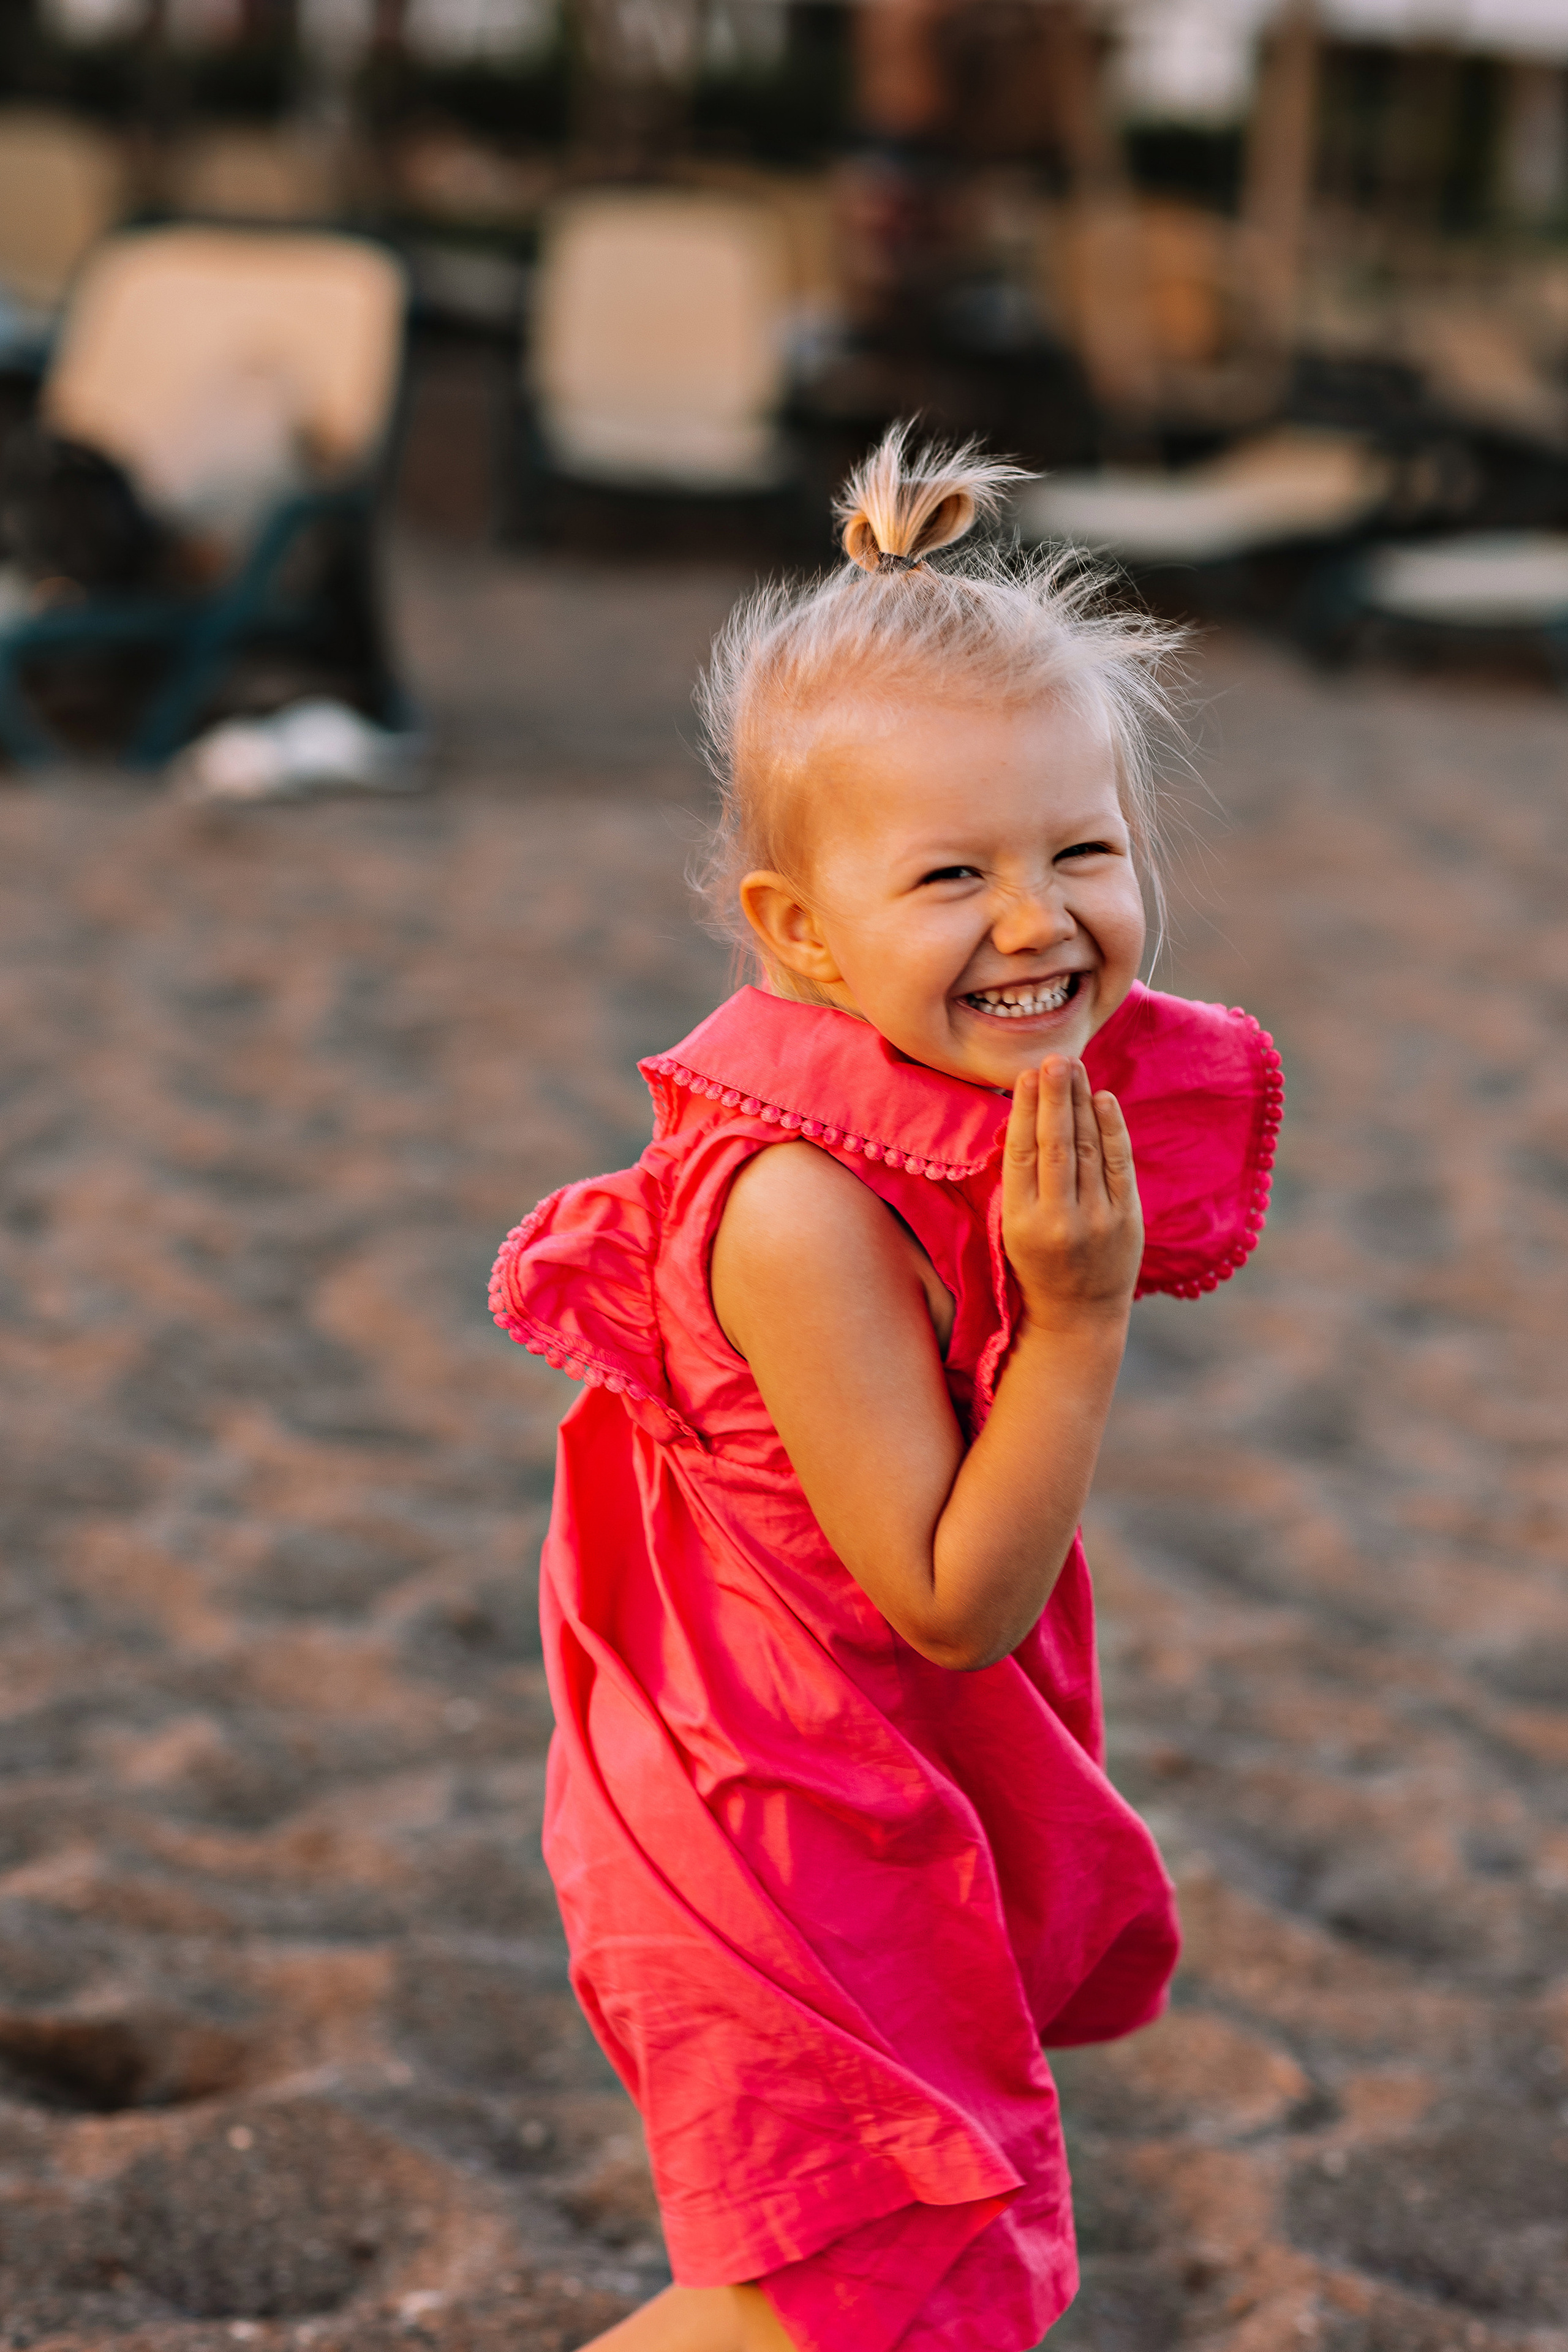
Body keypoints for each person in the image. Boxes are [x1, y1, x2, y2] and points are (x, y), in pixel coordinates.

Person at [491, 427, 1283, 2352]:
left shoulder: (958, 1115)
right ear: (801, 934)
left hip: (871, 1776)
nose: (1036, 919)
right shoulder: (796, 1209)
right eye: (952, 875)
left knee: (883, 2274)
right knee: (852, 2287)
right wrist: (1074, 1320)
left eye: (1083, 851)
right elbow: (947, 1592)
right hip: (774, 1810)